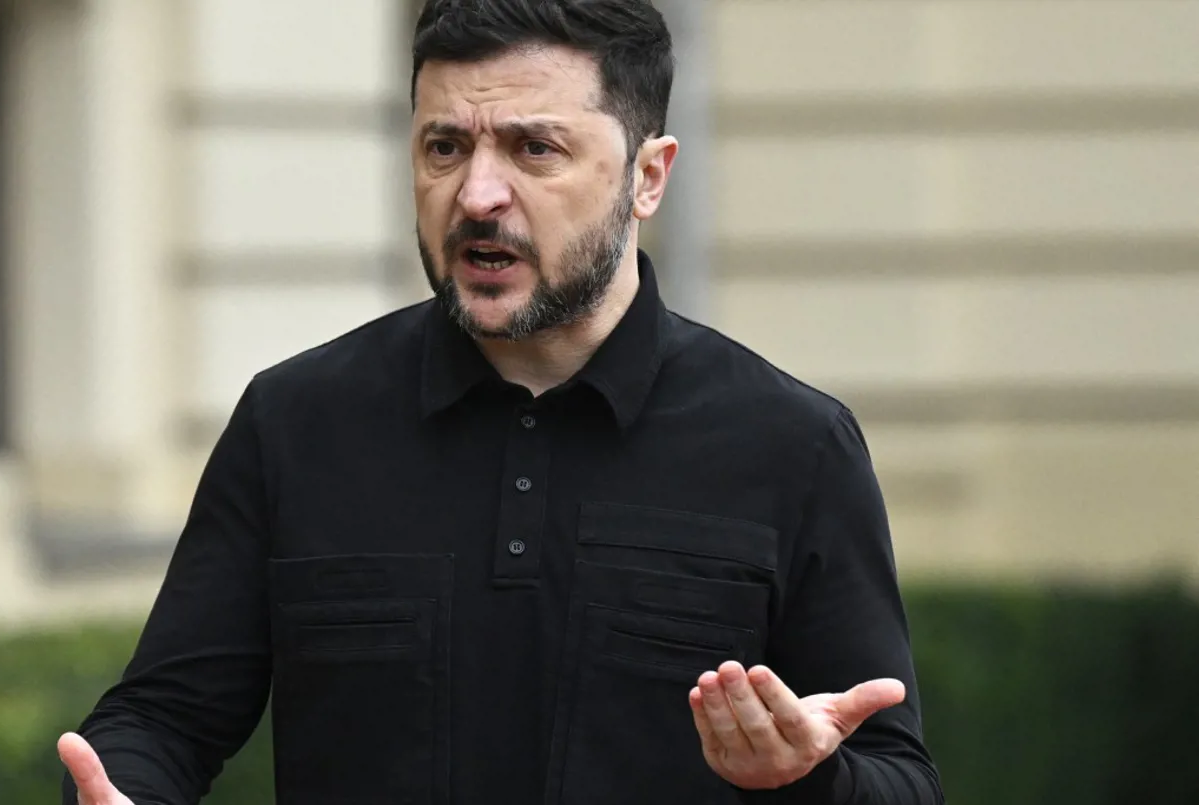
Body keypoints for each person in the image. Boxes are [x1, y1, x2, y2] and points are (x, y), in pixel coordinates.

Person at [57, 1, 946, 803]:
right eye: (444, 147)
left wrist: (807, 778)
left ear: (647, 176)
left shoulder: (791, 444)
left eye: (534, 149)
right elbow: (163, 720)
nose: (477, 196)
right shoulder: (294, 422)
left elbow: (898, 779)